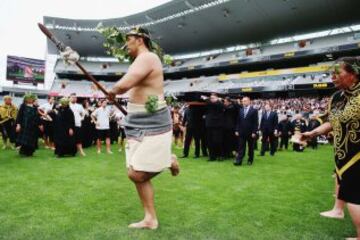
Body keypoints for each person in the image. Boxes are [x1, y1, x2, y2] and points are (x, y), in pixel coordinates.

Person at [104, 27, 179, 229]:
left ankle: (168, 160)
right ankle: (150, 218)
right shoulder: (138, 60)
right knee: (135, 173)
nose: (125, 45)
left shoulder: (148, 57)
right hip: (136, 120)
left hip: (153, 120)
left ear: (139, 39)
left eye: (127, 40)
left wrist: (114, 90)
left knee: (136, 173)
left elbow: (127, 83)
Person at [301, 57, 360, 239]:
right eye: (330, 74)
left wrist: (320, 123)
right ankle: (338, 211)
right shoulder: (337, 97)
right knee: (344, 183)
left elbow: (339, 117)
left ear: (354, 74)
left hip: (357, 153)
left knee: (355, 196)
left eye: (337, 73)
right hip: (343, 151)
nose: (332, 77)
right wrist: (312, 133)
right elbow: (330, 120)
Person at [234, 96, 258, 166]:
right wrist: (237, 130)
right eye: (242, 101)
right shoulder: (240, 110)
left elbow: (255, 122)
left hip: (250, 133)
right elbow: (238, 121)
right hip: (241, 132)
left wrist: (254, 132)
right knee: (241, 147)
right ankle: (239, 161)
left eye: (245, 101)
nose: (243, 102)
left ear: (249, 101)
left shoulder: (254, 110)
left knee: (250, 147)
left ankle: (250, 159)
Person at [203, 93, 224, 161]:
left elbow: (216, 104)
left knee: (217, 141)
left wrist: (206, 99)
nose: (211, 99)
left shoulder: (219, 103)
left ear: (217, 98)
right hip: (209, 125)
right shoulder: (209, 104)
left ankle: (220, 155)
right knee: (209, 141)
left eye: (213, 98)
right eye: (211, 98)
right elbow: (208, 105)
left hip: (217, 126)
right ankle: (212, 156)